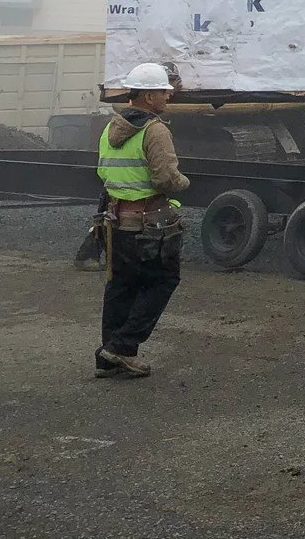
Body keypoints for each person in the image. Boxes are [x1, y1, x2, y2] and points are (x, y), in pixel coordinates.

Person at [94, 62, 190, 378]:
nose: (169, 95)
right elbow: (165, 179)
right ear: (148, 96)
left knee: (121, 286)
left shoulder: (111, 129)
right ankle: (121, 347)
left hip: (117, 222)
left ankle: (109, 358)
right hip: (149, 226)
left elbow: (103, 172)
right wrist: (185, 183)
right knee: (164, 280)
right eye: (164, 91)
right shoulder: (155, 130)